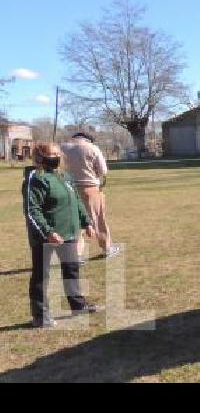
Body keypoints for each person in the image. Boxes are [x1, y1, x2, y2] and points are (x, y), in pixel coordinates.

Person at [22, 142, 103, 328]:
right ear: (40, 157)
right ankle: (40, 316)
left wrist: (86, 222)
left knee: (71, 270)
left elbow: (75, 201)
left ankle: (78, 306)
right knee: (41, 276)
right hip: (46, 237)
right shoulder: (36, 178)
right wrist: (48, 232)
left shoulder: (64, 176)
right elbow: (32, 210)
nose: (56, 157)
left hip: (69, 233)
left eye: (58, 153)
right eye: (52, 154)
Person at [61, 132, 120, 263]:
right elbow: (103, 171)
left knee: (74, 221)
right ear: (88, 140)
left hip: (68, 187)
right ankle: (107, 247)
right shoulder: (92, 148)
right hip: (90, 187)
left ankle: (76, 254)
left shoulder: (63, 148)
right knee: (97, 218)